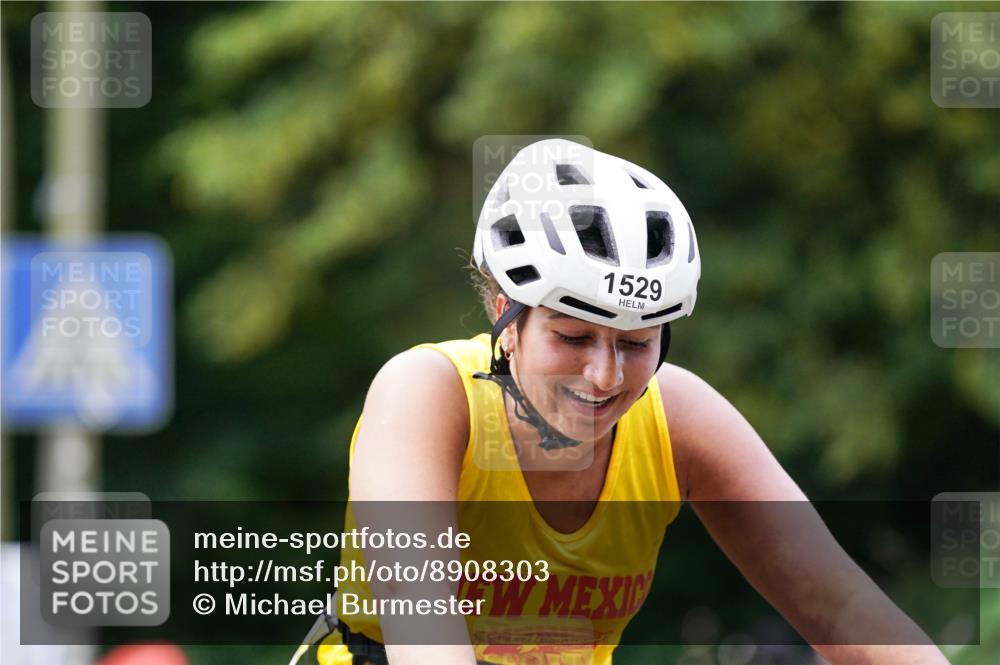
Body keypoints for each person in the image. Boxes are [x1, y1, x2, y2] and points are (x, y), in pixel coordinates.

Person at [299, 139, 949, 665]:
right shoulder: (427, 395)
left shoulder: (679, 418)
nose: (605, 374)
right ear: (506, 315)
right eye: (573, 336)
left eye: (636, 343)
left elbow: (847, 613)